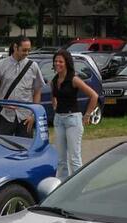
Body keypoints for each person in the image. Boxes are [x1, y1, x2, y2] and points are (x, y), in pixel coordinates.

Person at [51, 49, 98, 180]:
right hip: (59, 120)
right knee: (61, 159)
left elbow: (94, 96)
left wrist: (87, 115)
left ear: (67, 63)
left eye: (60, 61)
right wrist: (55, 105)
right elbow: (53, 96)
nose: (57, 64)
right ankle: (62, 185)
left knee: (74, 158)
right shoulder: (54, 80)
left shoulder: (74, 79)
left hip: (73, 119)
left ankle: (79, 185)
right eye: (55, 61)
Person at [0, 36, 44, 137]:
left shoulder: (33, 66)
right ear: (15, 47)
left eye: (29, 50)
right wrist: (3, 104)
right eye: (24, 50)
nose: (27, 53)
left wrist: (33, 115)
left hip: (26, 117)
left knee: (25, 149)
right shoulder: (0, 65)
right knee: (3, 148)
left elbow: (37, 91)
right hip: (5, 116)